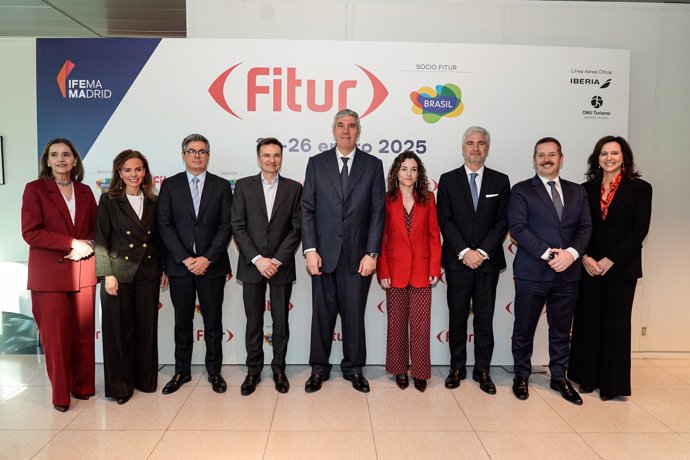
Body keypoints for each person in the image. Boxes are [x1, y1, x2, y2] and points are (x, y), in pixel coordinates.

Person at [301, 108, 386, 393]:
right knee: (321, 317)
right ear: (333, 130)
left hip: (357, 257)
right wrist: (310, 250)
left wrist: (372, 253)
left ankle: (353, 369)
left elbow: (377, 212)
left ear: (358, 131)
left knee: (353, 316)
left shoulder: (373, 165)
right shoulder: (316, 163)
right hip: (323, 256)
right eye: (341, 125)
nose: (346, 131)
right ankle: (318, 369)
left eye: (351, 126)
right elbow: (308, 209)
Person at [508, 137, 592, 405]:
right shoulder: (521, 190)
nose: (546, 159)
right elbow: (518, 228)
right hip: (532, 272)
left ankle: (559, 377)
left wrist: (571, 254)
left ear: (561, 158)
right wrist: (548, 254)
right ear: (534, 160)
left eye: (552, 154)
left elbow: (585, 228)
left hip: (568, 273)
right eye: (541, 155)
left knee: (561, 329)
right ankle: (521, 375)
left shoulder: (577, 191)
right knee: (524, 328)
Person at [568, 136, 652, 401]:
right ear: (597, 158)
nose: (609, 158)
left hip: (621, 268)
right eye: (604, 153)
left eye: (614, 153)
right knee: (588, 323)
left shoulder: (640, 189)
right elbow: (579, 228)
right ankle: (586, 378)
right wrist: (586, 257)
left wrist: (610, 259)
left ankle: (612, 385)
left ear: (624, 157)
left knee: (616, 325)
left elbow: (639, 231)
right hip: (589, 266)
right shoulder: (585, 189)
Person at [21, 138, 97, 412]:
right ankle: (61, 395)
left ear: (75, 160)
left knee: (83, 333)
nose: (61, 159)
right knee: (56, 337)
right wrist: (70, 243)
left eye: (66, 154)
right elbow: (30, 232)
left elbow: (96, 227)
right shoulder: (35, 190)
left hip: (83, 270)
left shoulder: (86, 191)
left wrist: (85, 245)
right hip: (49, 275)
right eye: (55, 155)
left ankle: (83, 386)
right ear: (47, 161)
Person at [157, 134, 233, 394]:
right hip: (180, 267)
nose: (197, 155)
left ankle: (215, 372)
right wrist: (186, 258)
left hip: (212, 266)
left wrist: (207, 258)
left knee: (213, 322)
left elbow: (226, 226)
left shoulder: (222, 186)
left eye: (202, 151)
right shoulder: (170, 185)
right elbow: (164, 225)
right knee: (182, 322)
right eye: (192, 151)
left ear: (208, 155)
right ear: (183, 155)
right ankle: (182, 371)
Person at [437, 126, 510, 394]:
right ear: (463, 147)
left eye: (481, 143)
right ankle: (457, 368)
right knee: (457, 317)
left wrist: (482, 252)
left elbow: (503, 221)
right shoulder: (447, 180)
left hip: (487, 263)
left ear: (487, 148)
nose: (475, 148)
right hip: (458, 262)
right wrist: (464, 252)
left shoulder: (500, 181)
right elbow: (444, 219)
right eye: (470, 143)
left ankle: (483, 370)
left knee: (484, 318)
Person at [95, 150, 168, 405]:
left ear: (145, 172)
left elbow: (159, 240)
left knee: (146, 331)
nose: (133, 175)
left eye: (138, 169)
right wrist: (106, 275)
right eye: (127, 170)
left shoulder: (154, 201)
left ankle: (145, 380)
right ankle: (120, 387)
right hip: (119, 274)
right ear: (119, 173)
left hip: (148, 272)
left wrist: (164, 270)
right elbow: (101, 240)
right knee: (118, 332)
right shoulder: (109, 200)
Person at [231, 137, 302, 396]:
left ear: (281, 158)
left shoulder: (294, 188)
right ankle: (253, 371)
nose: (272, 160)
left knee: (281, 321)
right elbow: (237, 226)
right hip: (252, 266)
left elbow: (297, 228)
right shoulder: (243, 186)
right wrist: (258, 260)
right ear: (258, 157)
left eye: (276, 155)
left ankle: (279, 370)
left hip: (281, 265)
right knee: (254, 321)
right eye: (266, 155)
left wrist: (276, 259)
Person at [377, 152, 441, 392]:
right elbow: (380, 239)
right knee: (396, 324)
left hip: (422, 271)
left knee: (421, 325)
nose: (409, 174)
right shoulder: (385, 199)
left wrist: (434, 266)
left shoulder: (428, 199)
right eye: (404, 169)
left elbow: (434, 236)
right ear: (396, 172)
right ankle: (399, 369)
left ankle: (421, 372)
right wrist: (382, 269)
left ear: (419, 173)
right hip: (393, 271)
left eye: (414, 169)